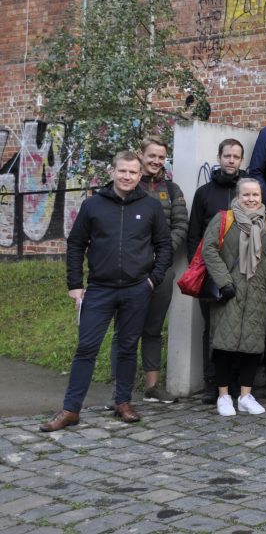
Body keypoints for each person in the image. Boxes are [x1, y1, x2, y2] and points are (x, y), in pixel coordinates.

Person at [40, 151, 172, 432]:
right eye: (122, 171)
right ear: (112, 172)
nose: (127, 177)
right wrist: (75, 285)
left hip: (137, 289)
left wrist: (153, 279)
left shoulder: (150, 207)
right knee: (86, 348)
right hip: (99, 290)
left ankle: (122, 402)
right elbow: (76, 244)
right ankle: (71, 408)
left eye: (133, 173)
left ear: (140, 176)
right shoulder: (93, 206)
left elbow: (164, 246)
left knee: (127, 348)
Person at [107, 136, 188, 406]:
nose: (156, 161)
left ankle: (153, 387)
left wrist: (160, 255)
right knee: (124, 330)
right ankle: (120, 390)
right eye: (151, 155)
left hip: (161, 270)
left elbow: (180, 226)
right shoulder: (125, 186)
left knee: (153, 329)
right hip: (128, 270)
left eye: (161, 157)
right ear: (140, 155)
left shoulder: (173, 190)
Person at [201, 178, 266, 417]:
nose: (251, 199)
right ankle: (224, 395)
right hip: (230, 293)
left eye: (255, 195)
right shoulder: (224, 219)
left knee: (252, 347)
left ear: (262, 198)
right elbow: (208, 250)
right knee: (223, 347)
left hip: (258, 294)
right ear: (237, 197)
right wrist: (224, 282)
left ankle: (246, 396)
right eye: (246, 195)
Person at [187, 138, 247, 403]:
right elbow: (193, 236)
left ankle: (234, 383)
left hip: (242, 270)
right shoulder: (204, 193)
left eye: (236, 156)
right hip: (211, 273)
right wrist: (199, 270)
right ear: (219, 157)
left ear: (241, 160)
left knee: (237, 328)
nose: (231, 160)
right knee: (211, 329)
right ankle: (212, 383)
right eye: (227, 156)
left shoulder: (248, 191)